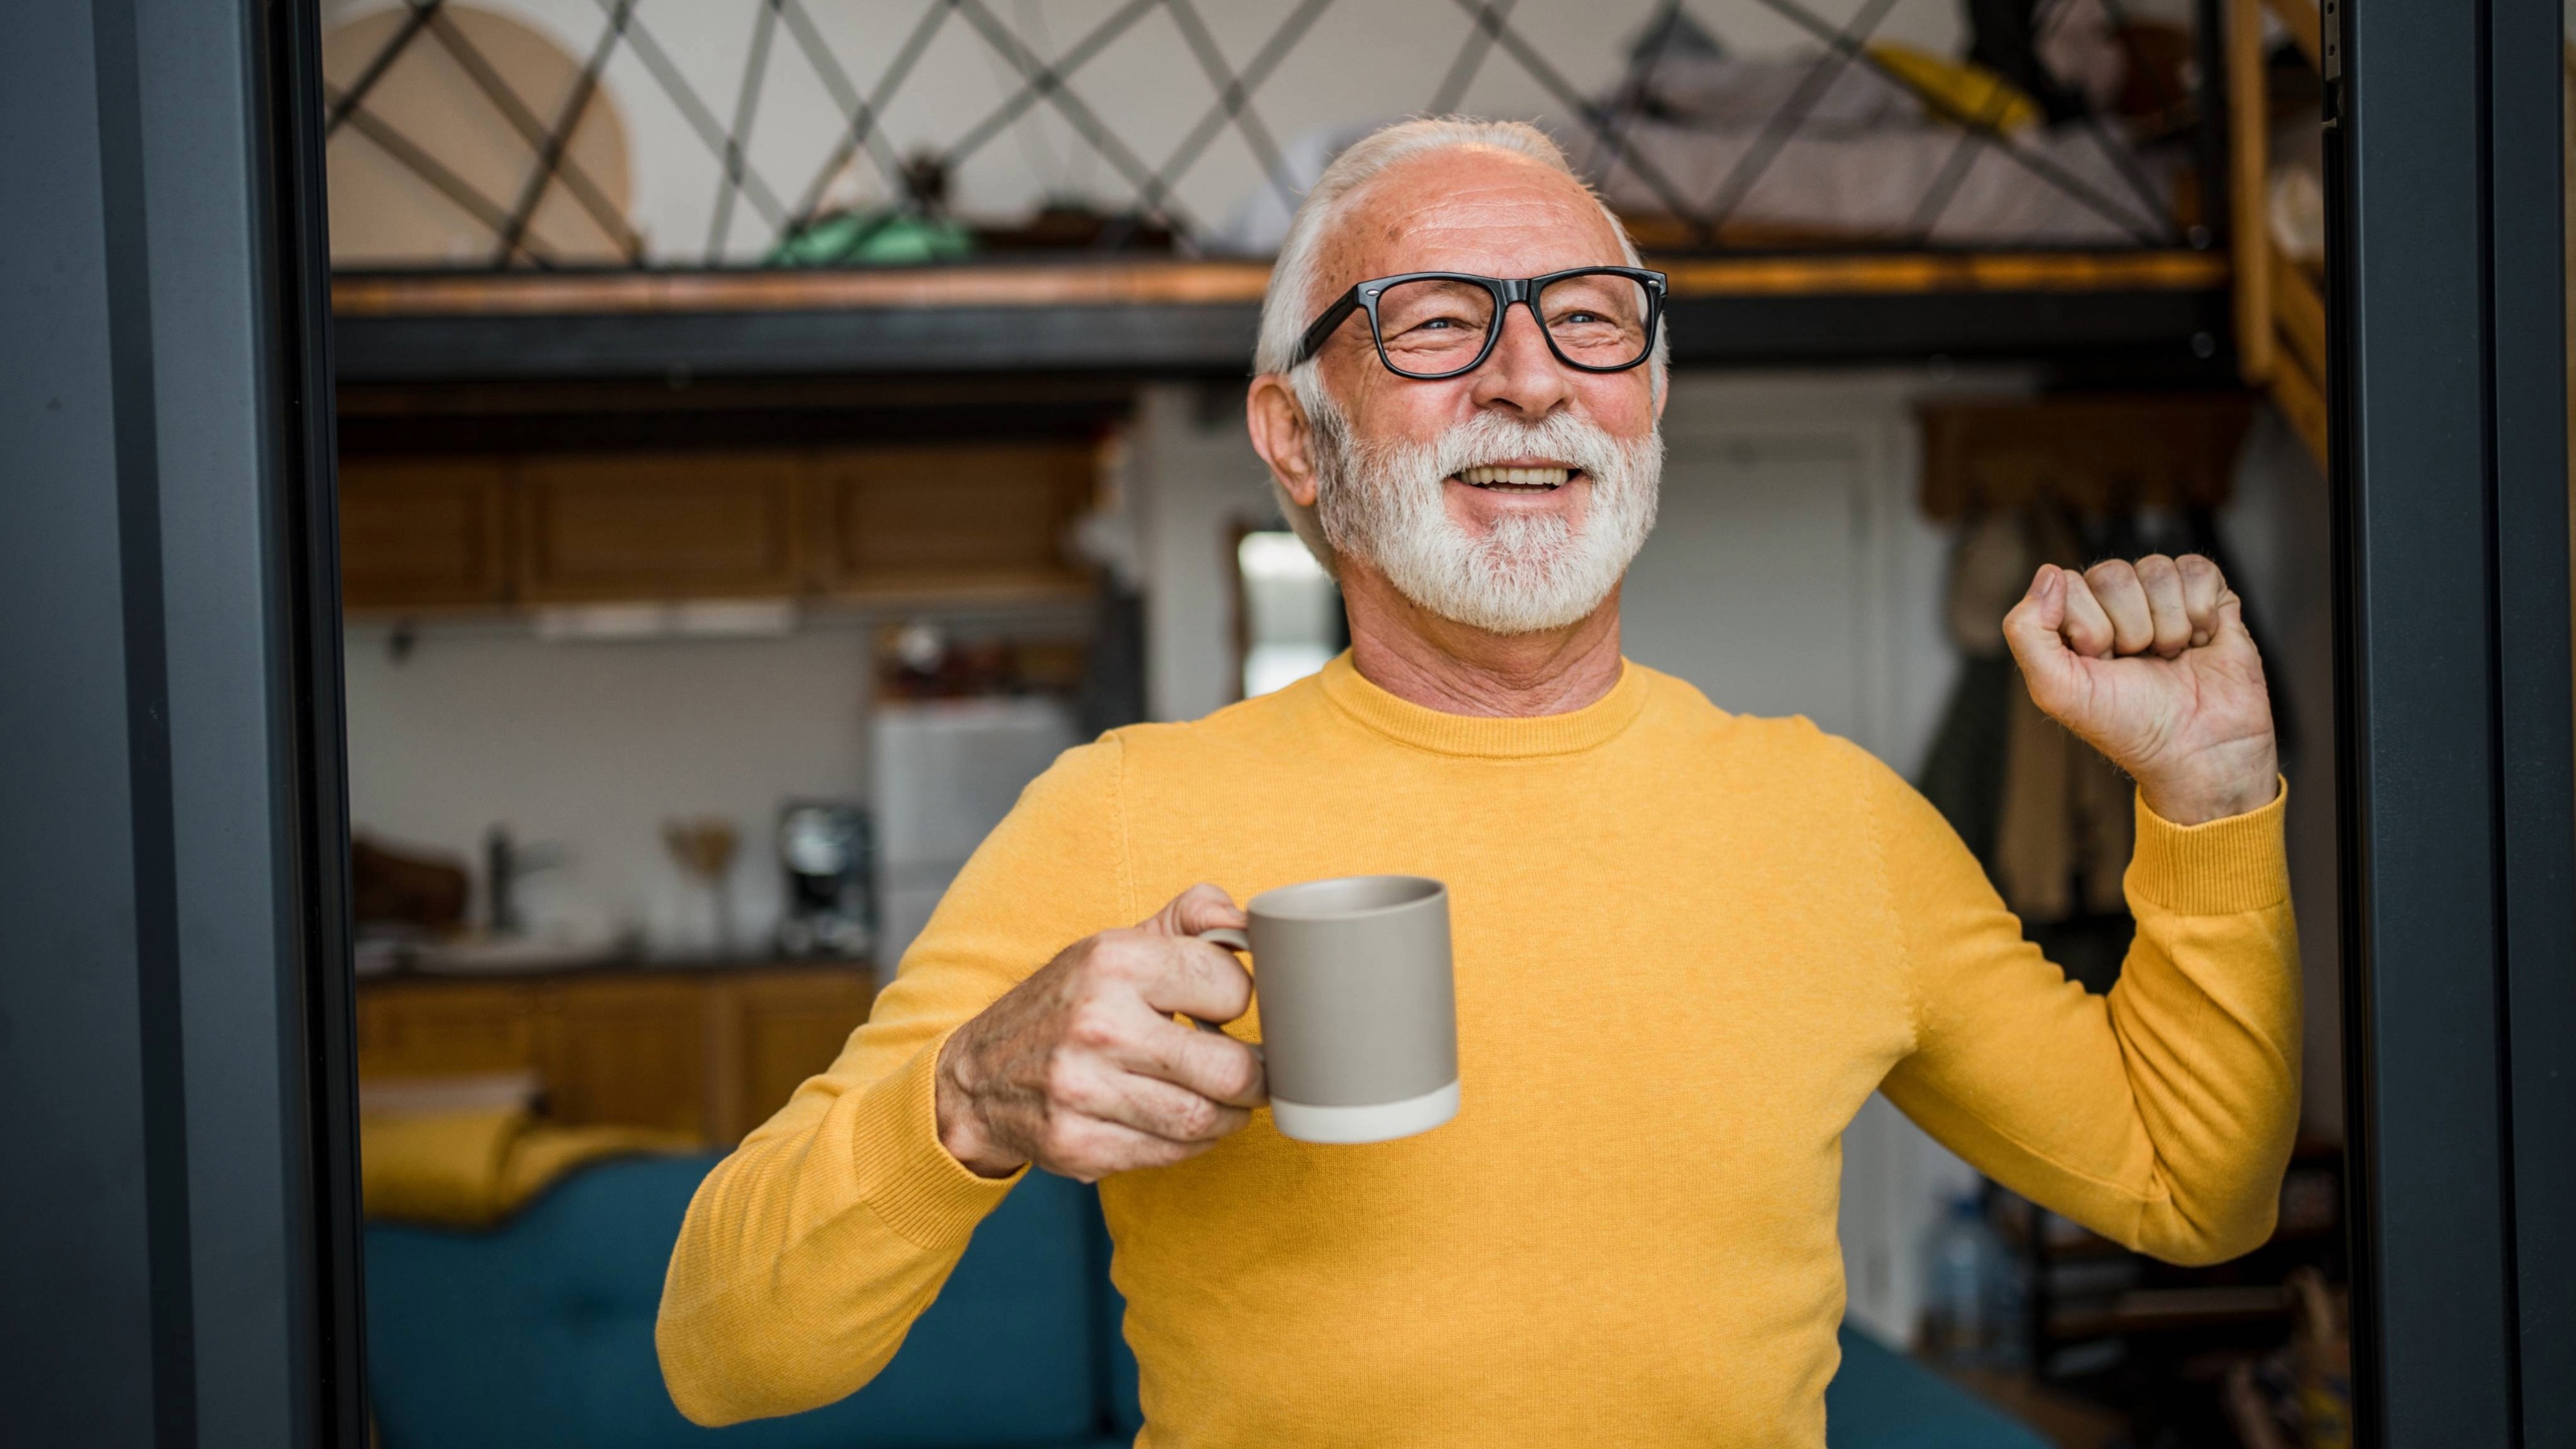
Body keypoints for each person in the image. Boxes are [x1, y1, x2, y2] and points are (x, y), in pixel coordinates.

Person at [657, 118, 2296, 1448]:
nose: (1529, 376)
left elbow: (2190, 1194)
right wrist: (966, 1101)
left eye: (1589, 318)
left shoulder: (1834, 823)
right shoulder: (1119, 814)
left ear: (1644, 395)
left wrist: (2212, 800)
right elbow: (723, 1355)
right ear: (1298, 440)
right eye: (1436, 323)